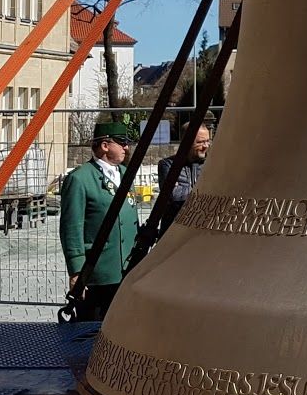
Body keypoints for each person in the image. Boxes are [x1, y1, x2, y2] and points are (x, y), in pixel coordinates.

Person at [58, 122, 139, 320]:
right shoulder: (80, 179)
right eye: (121, 143)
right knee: (92, 332)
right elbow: (71, 227)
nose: (126, 148)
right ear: (105, 145)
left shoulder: (124, 174)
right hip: (98, 273)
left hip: (127, 271)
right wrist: (77, 271)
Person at [155, 122, 210, 238]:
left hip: (202, 233)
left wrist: (183, 188)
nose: (206, 146)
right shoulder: (168, 165)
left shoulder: (212, 165)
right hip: (173, 233)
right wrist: (207, 191)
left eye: (207, 141)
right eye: (200, 142)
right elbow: (174, 196)